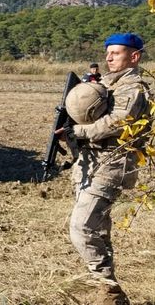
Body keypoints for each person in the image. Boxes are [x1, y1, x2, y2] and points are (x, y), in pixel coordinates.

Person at [54, 33, 150, 305]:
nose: (108, 57)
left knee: (81, 228)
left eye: (116, 53)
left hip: (112, 164)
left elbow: (118, 123)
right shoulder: (104, 83)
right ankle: (109, 293)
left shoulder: (135, 87)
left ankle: (108, 290)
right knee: (98, 231)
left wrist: (77, 131)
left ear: (134, 56)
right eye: (108, 52)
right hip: (89, 163)